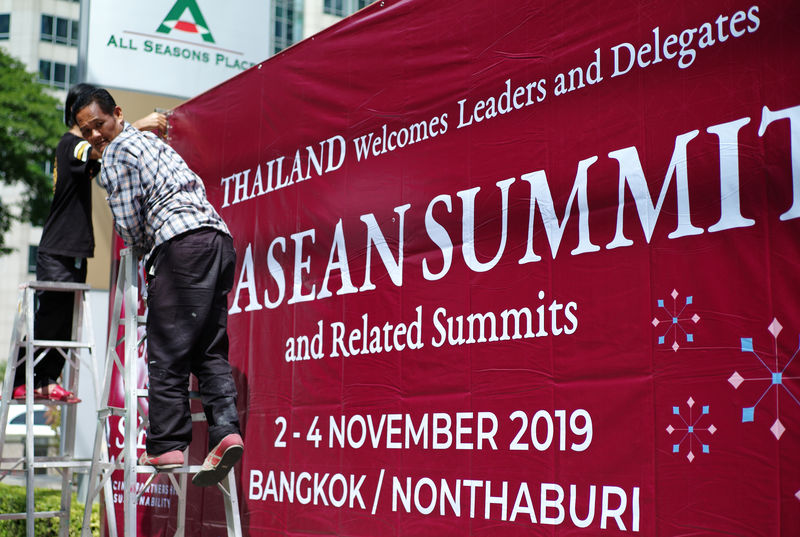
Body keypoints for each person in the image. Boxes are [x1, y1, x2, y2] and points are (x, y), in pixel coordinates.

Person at [72, 86, 243, 487]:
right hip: (218, 240)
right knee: (209, 349)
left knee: (166, 348)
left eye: (99, 124)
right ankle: (226, 432)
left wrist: (142, 250)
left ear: (116, 113)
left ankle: (166, 444)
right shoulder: (151, 143)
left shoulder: (116, 153)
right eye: (87, 131)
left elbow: (130, 225)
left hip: (180, 244)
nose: (96, 135)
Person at [11, 84, 166, 403]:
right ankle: (26, 380)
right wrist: (141, 126)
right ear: (77, 116)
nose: (98, 131)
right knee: (51, 316)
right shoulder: (71, 144)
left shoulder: (77, 148)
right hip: (59, 249)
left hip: (72, 249)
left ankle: (43, 380)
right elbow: (98, 150)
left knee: (65, 321)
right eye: (90, 123)